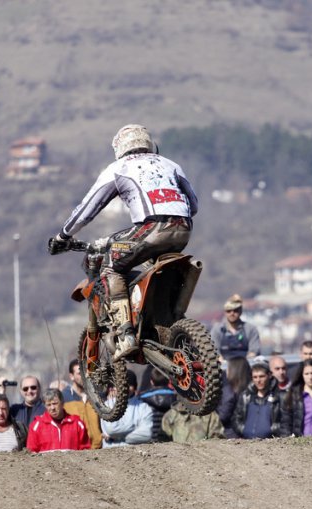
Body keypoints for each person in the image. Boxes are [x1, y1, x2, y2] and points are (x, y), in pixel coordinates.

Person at [48, 123, 198, 361]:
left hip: (152, 228)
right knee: (143, 261)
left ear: (119, 147)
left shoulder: (119, 168)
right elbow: (194, 204)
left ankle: (126, 333)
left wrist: (62, 236)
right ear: (149, 142)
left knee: (111, 266)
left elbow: (87, 209)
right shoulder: (171, 164)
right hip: (184, 229)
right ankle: (159, 321)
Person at [27, 389, 91, 453]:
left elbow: (85, 450)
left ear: (62, 403)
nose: (52, 408)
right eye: (49, 405)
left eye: (55, 403)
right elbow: (31, 451)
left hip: (72, 459)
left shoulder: (77, 423)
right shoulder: (37, 426)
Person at [101, 371, 154, 447]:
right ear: (114, 387)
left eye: (129, 384)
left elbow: (147, 434)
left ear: (134, 387)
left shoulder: (143, 407)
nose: (125, 388)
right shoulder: (107, 405)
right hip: (110, 452)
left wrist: (117, 438)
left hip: (135, 452)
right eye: (120, 384)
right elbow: (111, 430)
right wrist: (135, 427)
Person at [232, 361, 282, 439]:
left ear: (269, 375)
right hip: (247, 441)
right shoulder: (246, 396)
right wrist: (244, 430)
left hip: (271, 441)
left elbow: (285, 421)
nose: (258, 380)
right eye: (255, 377)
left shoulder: (279, 397)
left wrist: (271, 431)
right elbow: (236, 418)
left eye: (261, 376)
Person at [62, 362, 103, 449]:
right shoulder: (64, 398)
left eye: (86, 372)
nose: (84, 376)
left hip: (98, 448)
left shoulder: (96, 395)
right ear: (71, 376)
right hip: (77, 450)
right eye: (80, 373)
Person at [211, 294, 261, 362]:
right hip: (223, 365)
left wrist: (244, 363)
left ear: (240, 311)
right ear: (225, 312)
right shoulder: (217, 330)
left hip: (246, 364)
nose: (232, 313)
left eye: (235, 310)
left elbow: (254, 351)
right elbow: (214, 351)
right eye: (229, 311)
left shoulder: (250, 329)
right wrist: (222, 362)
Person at [138, 368, 177, 443]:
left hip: (149, 437)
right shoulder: (176, 396)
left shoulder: (142, 398)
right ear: (168, 381)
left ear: (151, 382)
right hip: (171, 438)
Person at [218, 357, 252, 439]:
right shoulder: (250, 390)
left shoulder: (229, 394)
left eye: (228, 368)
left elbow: (222, 417)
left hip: (230, 433)